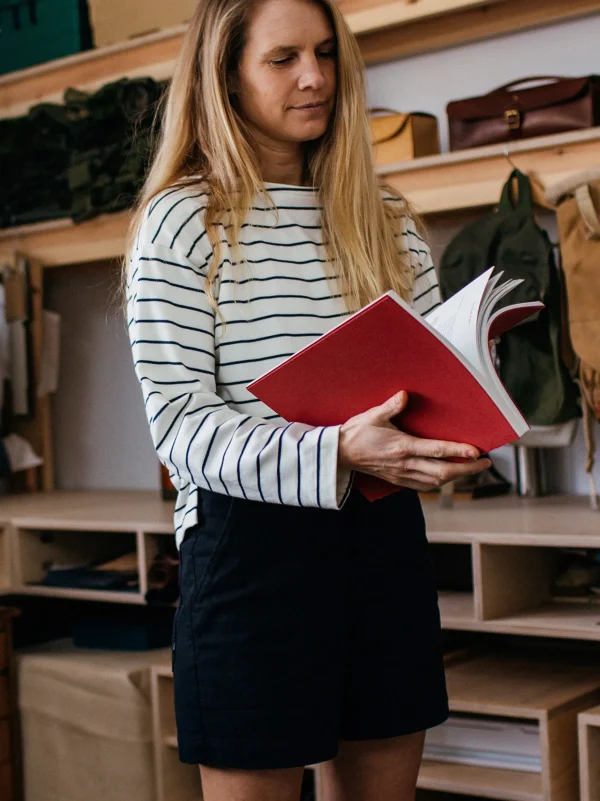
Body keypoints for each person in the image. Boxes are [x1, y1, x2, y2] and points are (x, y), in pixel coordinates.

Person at [124, 1, 491, 799]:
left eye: (325, 53)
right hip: (252, 553)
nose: (315, 76)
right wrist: (335, 449)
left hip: (383, 535)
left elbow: (432, 378)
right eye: (283, 58)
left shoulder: (385, 220)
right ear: (226, 77)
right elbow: (180, 427)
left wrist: (452, 439)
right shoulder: (182, 223)